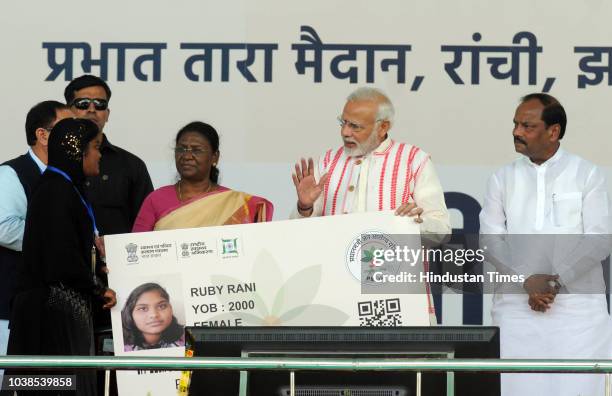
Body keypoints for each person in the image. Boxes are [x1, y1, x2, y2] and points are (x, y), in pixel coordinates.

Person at [479, 93, 612, 395]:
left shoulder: (586, 174)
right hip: (516, 310)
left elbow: (599, 239)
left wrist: (555, 281)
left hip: (578, 314)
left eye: (528, 126)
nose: (517, 132)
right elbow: (490, 240)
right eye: (515, 124)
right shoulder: (502, 178)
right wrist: (526, 280)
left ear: (553, 132)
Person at [7, 118, 117, 396]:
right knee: (54, 386)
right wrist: (97, 290)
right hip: (49, 314)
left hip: (59, 306)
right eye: (94, 147)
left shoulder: (64, 188)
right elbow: (61, 258)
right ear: (77, 151)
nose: (99, 154)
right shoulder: (56, 191)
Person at [290, 87, 450, 238]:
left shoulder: (414, 160)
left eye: (355, 126)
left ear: (383, 127)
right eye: (343, 122)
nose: (345, 132)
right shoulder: (329, 160)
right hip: (334, 264)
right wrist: (304, 207)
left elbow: (441, 227)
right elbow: (299, 233)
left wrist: (412, 224)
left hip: (393, 265)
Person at [0, 101, 73, 383]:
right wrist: (60, 245)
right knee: (11, 383)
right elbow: (5, 229)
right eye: (67, 129)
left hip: (56, 310)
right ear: (43, 135)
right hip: (11, 309)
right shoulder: (11, 174)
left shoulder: (69, 178)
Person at [132, 121, 273, 232]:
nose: (187, 156)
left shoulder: (233, 203)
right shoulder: (156, 199)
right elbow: (135, 249)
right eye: (181, 149)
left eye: (196, 150)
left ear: (214, 157)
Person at [64, 75, 153, 236]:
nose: (92, 109)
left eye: (100, 104)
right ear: (68, 111)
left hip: (117, 259)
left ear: (107, 113)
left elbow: (146, 225)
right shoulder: (53, 160)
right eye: (83, 104)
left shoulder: (131, 165)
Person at [121, 283, 185, 351]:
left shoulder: (188, 339)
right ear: (130, 314)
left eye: (161, 306)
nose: (154, 315)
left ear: (171, 309)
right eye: (143, 308)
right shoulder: (119, 346)